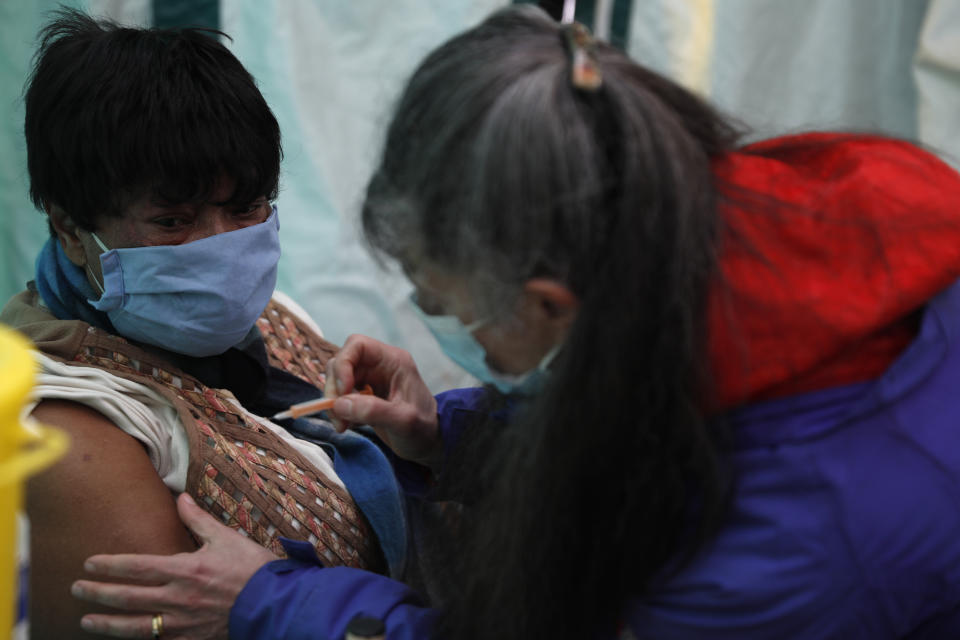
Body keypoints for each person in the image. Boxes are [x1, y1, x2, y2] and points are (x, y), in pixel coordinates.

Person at [70, 5, 960, 640]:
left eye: (450, 308)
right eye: (176, 222)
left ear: (550, 303)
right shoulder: (745, 232)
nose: (444, 333)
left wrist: (273, 602)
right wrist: (450, 440)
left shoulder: (797, 542)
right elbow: (663, 407)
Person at [0, 10, 407, 639]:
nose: (221, 251)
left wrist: (443, 435)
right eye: (172, 222)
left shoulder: (272, 322)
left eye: (247, 207)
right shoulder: (69, 429)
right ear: (69, 230)